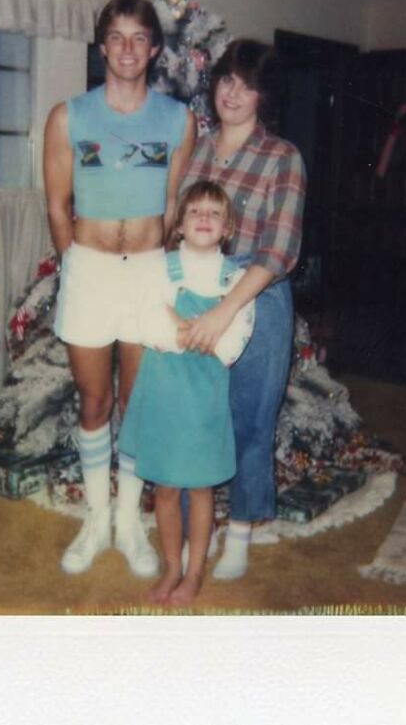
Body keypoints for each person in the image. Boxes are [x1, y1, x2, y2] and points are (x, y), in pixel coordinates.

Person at [43, 0, 197, 576]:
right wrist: (77, 266)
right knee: (95, 399)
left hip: (149, 273)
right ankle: (96, 519)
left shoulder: (179, 120)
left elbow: (174, 204)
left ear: (154, 48)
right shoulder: (70, 116)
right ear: (102, 45)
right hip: (90, 268)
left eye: (139, 38)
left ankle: (130, 522)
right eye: (117, 37)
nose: (127, 49)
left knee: (136, 403)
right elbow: (58, 207)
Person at [178, 38, 307, 580]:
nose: (234, 92)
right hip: (196, 287)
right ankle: (196, 534)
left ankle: (240, 533)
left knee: (251, 422)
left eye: (248, 84)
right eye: (228, 79)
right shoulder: (199, 148)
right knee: (195, 419)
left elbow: (279, 251)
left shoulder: (283, 157)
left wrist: (225, 311)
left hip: (257, 295)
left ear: (263, 96)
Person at [119, 181, 255, 605]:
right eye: (195, 212)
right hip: (162, 392)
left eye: (215, 214)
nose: (204, 220)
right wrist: (198, 331)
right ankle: (172, 566)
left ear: (228, 227)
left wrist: (180, 321)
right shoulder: (160, 270)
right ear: (178, 224)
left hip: (204, 399)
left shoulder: (235, 281)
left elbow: (231, 344)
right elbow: (148, 325)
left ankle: (194, 571)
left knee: (199, 488)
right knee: (164, 488)